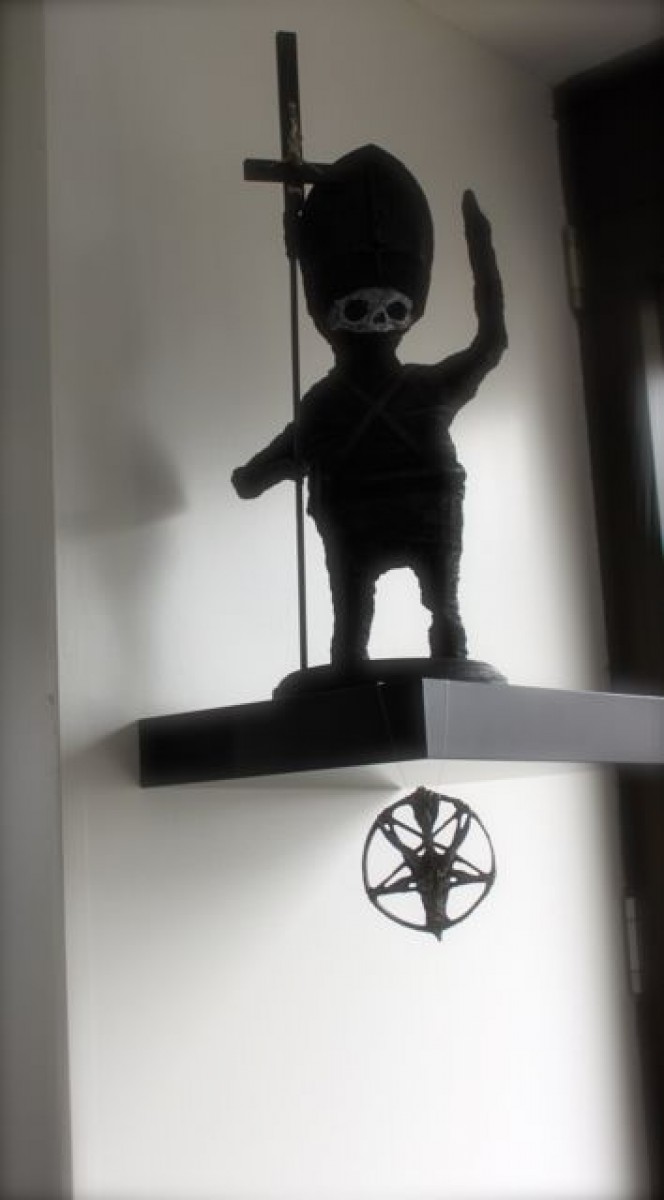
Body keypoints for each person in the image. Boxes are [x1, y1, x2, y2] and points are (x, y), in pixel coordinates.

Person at [232, 147, 506, 669]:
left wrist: (252, 477)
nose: (377, 320)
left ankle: (360, 659)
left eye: (389, 310)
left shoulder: (326, 403)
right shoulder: (428, 390)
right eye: (361, 309)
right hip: (422, 515)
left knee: (352, 626)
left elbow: (285, 455)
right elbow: (490, 343)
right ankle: (436, 637)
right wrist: (481, 247)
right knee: (437, 611)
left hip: (356, 520)